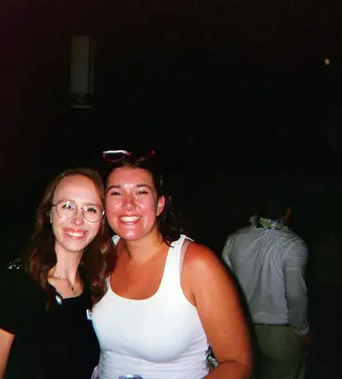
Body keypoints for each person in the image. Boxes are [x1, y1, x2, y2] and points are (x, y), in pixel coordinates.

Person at [92, 150, 252, 379]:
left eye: (141, 192)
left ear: (160, 204)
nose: (128, 204)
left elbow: (237, 363)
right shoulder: (102, 254)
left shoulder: (196, 264)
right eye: (116, 193)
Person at [0, 168, 115, 379]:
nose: (78, 220)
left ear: (101, 221)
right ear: (49, 213)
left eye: (90, 209)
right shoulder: (16, 285)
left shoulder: (95, 288)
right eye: (68, 206)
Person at [222, 202, 310, 379]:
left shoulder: (235, 239)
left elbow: (224, 287)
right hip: (280, 335)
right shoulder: (293, 244)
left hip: (244, 331)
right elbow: (295, 293)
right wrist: (302, 330)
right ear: (288, 211)